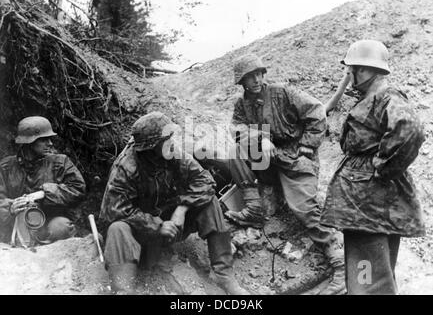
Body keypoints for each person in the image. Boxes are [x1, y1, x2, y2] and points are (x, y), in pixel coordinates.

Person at [223, 54, 345, 295]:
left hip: (294, 157)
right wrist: (262, 138)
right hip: (268, 160)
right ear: (242, 81)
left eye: (259, 74)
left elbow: (317, 112)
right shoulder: (242, 104)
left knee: (303, 207)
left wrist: (307, 148)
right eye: (250, 77)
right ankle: (256, 204)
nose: (256, 80)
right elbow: (236, 129)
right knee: (233, 151)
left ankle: (339, 264)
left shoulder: (282, 92)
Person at [99, 111, 248, 295]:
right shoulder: (127, 167)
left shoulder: (173, 154)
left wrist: (182, 208)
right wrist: (156, 226)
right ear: (151, 147)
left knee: (210, 202)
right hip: (141, 237)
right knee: (117, 228)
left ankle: (224, 275)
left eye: (171, 136)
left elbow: (206, 181)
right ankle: (123, 289)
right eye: (166, 138)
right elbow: (114, 211)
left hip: (172, 225)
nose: (172, 141)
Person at [321, 39, 425, 294]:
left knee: (366, 280)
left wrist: (382, 167)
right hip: (368, 203)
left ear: (366, 70)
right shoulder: (374, 97)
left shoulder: (385, 95)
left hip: (365, 206)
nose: (350, 74)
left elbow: (411, 130)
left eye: (353, 69)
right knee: (375, 275)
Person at [0, 116, 85, 246]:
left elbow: (78, 189)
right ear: (29, 142)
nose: (50, 143)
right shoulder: (6, 167)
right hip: (15, 225)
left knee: (62, 227)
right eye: (44, 140)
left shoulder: (60, 163)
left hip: (48, 223)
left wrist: (45, 193)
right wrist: (10, 207)